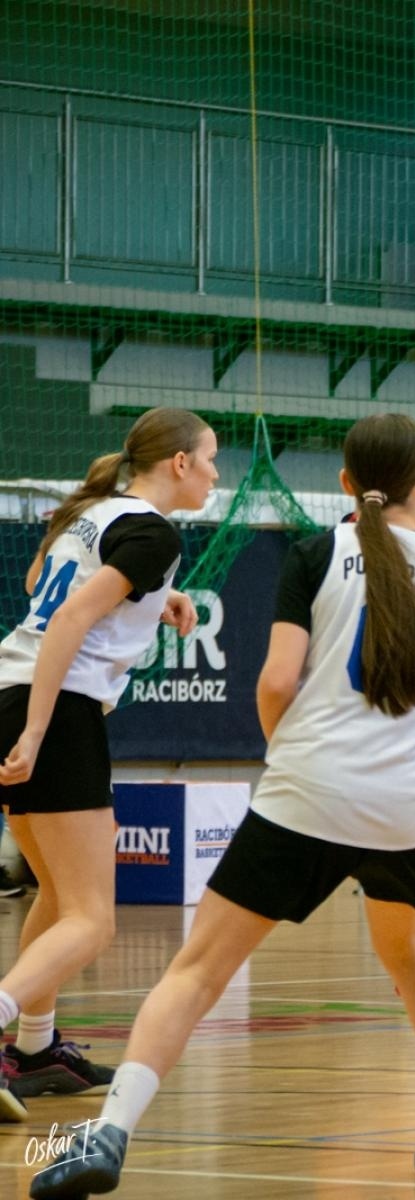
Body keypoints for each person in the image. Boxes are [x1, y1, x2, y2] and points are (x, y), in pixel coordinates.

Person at [29, 414, 415, 1195]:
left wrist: (291, 754)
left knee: (198, 970)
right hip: (406, 805)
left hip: (309, 790)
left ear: (347, 484)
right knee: (411, 954)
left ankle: (108, 1134)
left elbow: (278, 681)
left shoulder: (317, 554)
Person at [0, 408, 215, 1120]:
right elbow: (67, 619)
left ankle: (34, 1051)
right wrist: (36, 732)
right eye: (210, 458)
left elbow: (41, 587)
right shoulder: (152, 530)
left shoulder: (95, 511)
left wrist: (156, 598)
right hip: (51, 709)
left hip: (14, 686)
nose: (217, 473)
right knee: (94, 921)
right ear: (179, 463)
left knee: (61, 898)